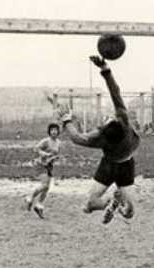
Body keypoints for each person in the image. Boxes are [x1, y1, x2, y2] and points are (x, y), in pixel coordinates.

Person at [61, 55, 140, 224]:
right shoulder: (124, 121)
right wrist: (105, 69)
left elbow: (77, 138)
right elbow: (115, 92)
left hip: (109, 165)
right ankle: (116, 204)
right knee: (130, 212)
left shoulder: (100, 138)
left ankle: (108, 203)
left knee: (89, 205)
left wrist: (67, 120)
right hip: (126, 164)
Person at [25, 122, 62, 219]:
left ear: (58, 132)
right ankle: (30, 197)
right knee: (44, 185)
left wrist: (55, 158)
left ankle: (39, 206)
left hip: (49, 166)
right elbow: (36, 149)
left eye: (55, 130)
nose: (54, 132)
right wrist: (44, 154)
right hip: (40, 164)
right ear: (49, 132)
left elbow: (55, 154)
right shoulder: (46, 141)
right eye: (52, 130)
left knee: (47, 188)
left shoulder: (59, 142)